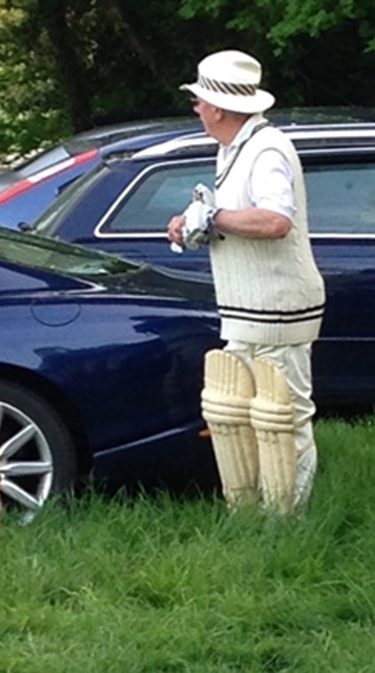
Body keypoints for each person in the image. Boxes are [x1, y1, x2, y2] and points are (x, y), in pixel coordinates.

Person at [167, 50, 326, 514]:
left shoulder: (268, 147)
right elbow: (238, 218)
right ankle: (252, 511)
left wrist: (213, 215)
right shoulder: (233, 148)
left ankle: (288, 522)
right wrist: (196, 224)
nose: (196, 109)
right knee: (236, 410)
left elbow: (276, 220)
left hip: (279, 307)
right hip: (246, 308)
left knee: (283, 415)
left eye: (199, 101)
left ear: (217, 106)